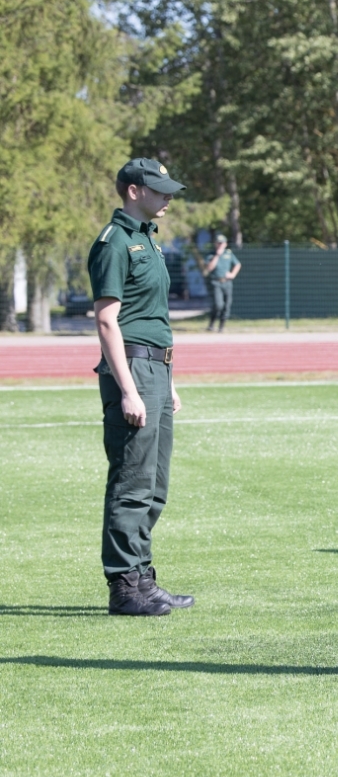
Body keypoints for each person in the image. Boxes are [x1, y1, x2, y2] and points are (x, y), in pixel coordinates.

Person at [89, 158, 195, 617]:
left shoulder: (145, 240)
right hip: (132, 369)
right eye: (160, 189)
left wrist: (166, 383)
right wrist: (130, 389)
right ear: (134, 191)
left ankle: (144, 577)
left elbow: (153, 318)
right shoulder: (115, 243)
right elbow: (107, 320)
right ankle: (125, 585)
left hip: (156, 370)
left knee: (155, 485)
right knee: (132, 481)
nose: (168, 197)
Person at [203, 236, 241, 332]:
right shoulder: (211, 255)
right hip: (216, 282)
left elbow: (237, 264)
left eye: (222, 243)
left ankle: (221, 327)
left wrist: (232, 274)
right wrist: (217, 255)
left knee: (227, 305)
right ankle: (211, 324)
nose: (220, 245)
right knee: (218, 304)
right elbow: (209, 268)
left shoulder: (229, 253)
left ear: (225, 244)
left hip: (227, 282)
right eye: (218, 243)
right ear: (215, 244)